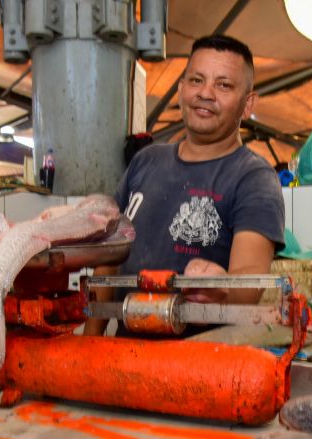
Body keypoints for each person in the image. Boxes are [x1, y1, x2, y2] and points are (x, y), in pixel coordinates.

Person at [84, 34, 285, 336]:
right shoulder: (145, 161)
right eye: (196, 80)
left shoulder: (254, 177)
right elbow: (109, 260)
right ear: (180, 89)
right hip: (123, 354)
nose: (205, 93)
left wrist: (222, 291)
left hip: (200, 364)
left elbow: (249, 280)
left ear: (247, 104)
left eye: (224, 85)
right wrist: (90, 342)